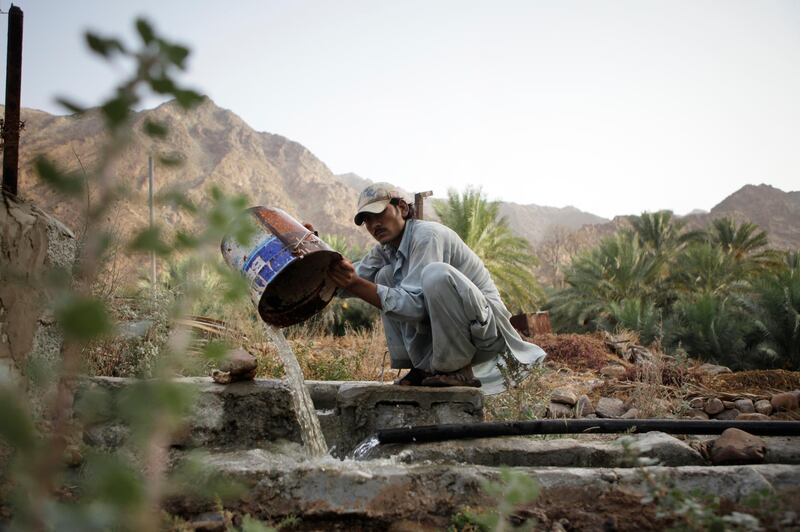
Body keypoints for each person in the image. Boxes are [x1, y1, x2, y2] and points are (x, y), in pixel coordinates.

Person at [326, 182, 546, 395]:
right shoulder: (386, 250)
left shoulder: (427, 236)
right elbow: (346, 280)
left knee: (435, 275)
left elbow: (415, 307)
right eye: (367, 220)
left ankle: (456, 370)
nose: (374, 225)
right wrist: (317, 260)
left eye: (380, 214)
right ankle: (422, 367)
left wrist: (356, 283)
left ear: (401, 208)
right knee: (384, 275)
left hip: (485, 331)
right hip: (458, 332)